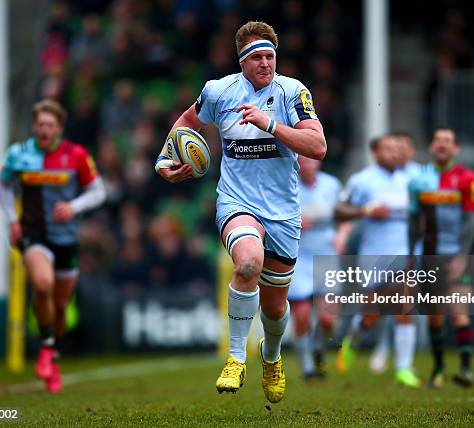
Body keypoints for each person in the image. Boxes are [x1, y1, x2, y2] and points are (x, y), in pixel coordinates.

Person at [154, 21, 326, 403]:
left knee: (275, 307)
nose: (266, 63)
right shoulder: (218, 91)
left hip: (282, 212)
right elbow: (186, 123)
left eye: (271, 56)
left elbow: (317, 146)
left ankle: (271, 355)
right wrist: (164, 160)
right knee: (247, 263)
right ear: (242, 61)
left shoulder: (293, 92)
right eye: (258, 57)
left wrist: (271, 124)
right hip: (237, 202)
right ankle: (235, 358)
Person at [0, 100, 106, 393]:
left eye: (49, 125)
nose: (44, 130)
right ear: (35, 126)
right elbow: (3, 186)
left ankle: (52, 355)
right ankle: (46, 349)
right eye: (40, 124)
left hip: (66, 239)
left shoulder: (76, 155)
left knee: (60, 307)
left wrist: (73, 207)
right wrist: (12, 220)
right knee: (42, 284)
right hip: (34, 234)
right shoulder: (20, 155)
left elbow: (98, 191)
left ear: (58, 128)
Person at [334, 135, 421, 388]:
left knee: (405, 307)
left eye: (397, 149)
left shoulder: (410, 180)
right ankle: (353, 338)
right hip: (373, 257)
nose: (395, 154)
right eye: (388, 149)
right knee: (371, 316)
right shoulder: (362, 181)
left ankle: (404, 370)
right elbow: (339, 211)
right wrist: (366, 210)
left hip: (404, 255)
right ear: (375, 153)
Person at [408, 128, 474, 388]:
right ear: (431, 146)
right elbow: (413, 220)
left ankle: (466, 370)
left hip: (456, 255)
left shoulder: (469, 180)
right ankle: (439, 369)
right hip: (430, 257)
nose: (442, 145)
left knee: (459, 312)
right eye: (438, 140)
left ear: (456, 149)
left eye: (447, 141)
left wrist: (462, 256)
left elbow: (471, 223)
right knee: (435, 317)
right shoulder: (418, 180)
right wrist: (410, 256)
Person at [289, 156, 339, 380]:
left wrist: (343, 235)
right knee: (302, 315)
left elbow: (343, 215)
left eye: (311, 160)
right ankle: (307, 367)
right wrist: (294, 222)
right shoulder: (286, 185)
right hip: (298, 255)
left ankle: (318, 347)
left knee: (328, 318)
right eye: (303, 161)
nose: (308, 165)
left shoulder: (332, 185)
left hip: (326, 254)